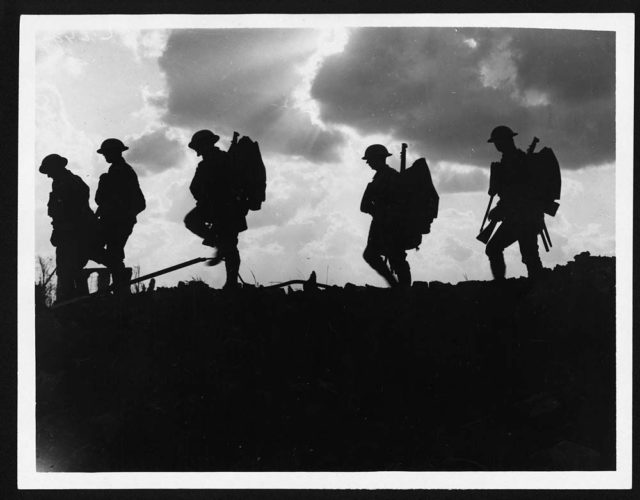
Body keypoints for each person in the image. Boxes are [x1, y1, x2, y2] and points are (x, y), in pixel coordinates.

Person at [184, 130, 247, 290]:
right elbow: (195, 188)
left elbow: (196, 187)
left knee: (230, 245)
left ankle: (231, 282)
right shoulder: (221, 160)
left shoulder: (218, 161)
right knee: (229, 245)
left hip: (227, 210)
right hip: (221, 209)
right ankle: (220, 247)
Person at [484, 125, 544, 280]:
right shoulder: (513, 160)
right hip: (524, 217)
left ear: (506, 141)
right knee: (529, 255)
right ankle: (536, 287)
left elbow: (517, 193)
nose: (496, 145)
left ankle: (503, 287)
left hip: (523, 218)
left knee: (498, 249)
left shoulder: (514, 161)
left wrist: (499, 210)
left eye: (498, 141)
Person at [39, 154, 98, 302]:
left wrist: (65, 228)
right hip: (67, 232)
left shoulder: (71, 182)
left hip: (75, 232)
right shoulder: (60, 183)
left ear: (57, 167)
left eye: (49, 171)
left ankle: (73, 301)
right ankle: (71, 299)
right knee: (68, 268)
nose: (48, 175)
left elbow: (73, 211)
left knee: (71, 268)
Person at [95, 138, 146, 291]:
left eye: (107, 153)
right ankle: (120, 274)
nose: (105, 156)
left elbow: (139, 202)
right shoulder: (113, 172)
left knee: (107, 250)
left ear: (116, 152)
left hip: (118, 222)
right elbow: (102, 200)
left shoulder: (123, 172)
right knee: (104, 251)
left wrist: (124, 217)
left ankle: (120, 280)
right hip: (111, 220)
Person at [360, 144, 411, 287]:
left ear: (378, 159)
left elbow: (399, 202)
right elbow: (365, 206)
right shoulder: (381, 178)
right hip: (381, 223)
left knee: (396, 257)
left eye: (370, 159)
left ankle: (401, 289)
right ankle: (397, 287)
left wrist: (383, 212)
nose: (368, 162)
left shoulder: (390, 177)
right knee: (381, 255)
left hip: (391, 224)